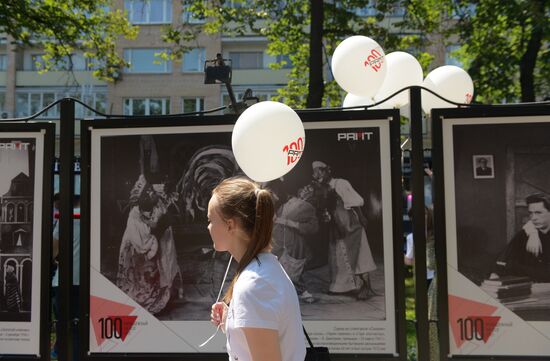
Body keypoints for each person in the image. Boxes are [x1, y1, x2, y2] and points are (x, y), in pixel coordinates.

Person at [209, 177, 305, 361]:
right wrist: (232, 319)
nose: (208, 227)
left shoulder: (254, 285)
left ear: (230, 225)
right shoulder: (264, 270)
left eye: (211, 220)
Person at [117, 175, 183, 314]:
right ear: (141, 200)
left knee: (156, 276)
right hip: (138, 257)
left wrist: (163, 225)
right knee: (142, 283)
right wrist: (158, 229)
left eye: (150, 190)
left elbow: (165, 223)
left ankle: (159, 298)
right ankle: (143, 301)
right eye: (147, 193)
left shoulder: (158, 207)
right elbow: (141, 243)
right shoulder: (134, 215)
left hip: (154, 253)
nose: (151, 193)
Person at [311, 161, 376, 299]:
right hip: (336, 222)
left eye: (320, 171)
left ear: (327, 170)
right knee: (338, 254)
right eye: (316, 173)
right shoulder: (321, 188)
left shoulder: (341, 183)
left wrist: (362, 216)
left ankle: (365, 286)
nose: (318, 175)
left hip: (348, 221)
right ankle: (341, 287)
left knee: (358, 252)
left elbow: (355, 201)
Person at [272, 184, 319, 303]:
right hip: (277, 238)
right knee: (275, 265)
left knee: (292, 268)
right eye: (305, 187)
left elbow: (313, 228)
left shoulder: (309, 207)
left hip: (292, 241)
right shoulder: (288, 202)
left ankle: (303, 292)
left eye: (310, 190)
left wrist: (291, 223)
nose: (306, 190)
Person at [491, 193, 550, 282]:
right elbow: (501, 262)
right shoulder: (525, 233)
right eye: (530, 213)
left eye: (538, 213)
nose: (533, 218)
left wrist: (514, 268)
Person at [51, 195, 81, 361]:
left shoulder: (64, 221)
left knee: (62, 321)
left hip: (62, 281)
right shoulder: (90, 219)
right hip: (82, 282)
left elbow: (53, 251)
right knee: (78, 325)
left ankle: (58, 350)